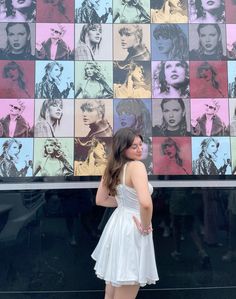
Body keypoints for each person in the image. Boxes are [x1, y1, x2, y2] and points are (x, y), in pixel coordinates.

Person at [91, 127, 158, 298]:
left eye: (140, 144)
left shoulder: (113, 167)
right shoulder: (136, 167)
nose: (139, 149)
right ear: (122, 148)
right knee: (127, 279)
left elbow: (101, 200)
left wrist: (124, 203)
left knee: (112, 291)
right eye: (133, 146)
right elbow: (145, 203)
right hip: (132, 227)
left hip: (118, 224)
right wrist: (144, 225)